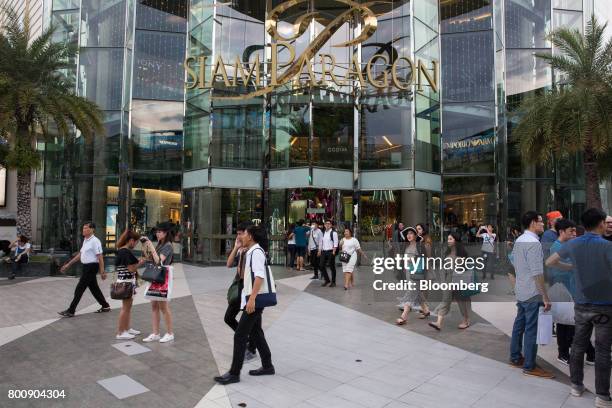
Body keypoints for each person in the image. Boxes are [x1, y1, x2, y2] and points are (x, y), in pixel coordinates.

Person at [546, 208, 612, 406]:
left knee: (577, 345)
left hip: (581, 303)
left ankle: (576, 386)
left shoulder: (573, 243)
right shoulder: (606, 246)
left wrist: (570, 267)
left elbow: (550, 262)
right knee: (602, 351)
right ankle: (602, 396)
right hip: (604, 305)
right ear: (601, 223)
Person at [214, 225, 275, 385]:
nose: (243, 236)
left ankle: (234, 373)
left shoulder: (256, 252)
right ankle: (268, 365)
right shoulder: (252, 251)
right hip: (252, 299)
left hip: (254, 301)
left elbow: (259, 277)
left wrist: (252, 299)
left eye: (245, 234)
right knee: (256, 332)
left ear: (252, 236)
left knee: (240, 335)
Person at [509, 211, 554, 378]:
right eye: (541, 222)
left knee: (519, 325)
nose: (543, 224)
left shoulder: (520, 240)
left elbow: (513, 262)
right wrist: (545, 296)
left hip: (521, 290)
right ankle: (529, 365)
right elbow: (537, 273)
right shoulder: (534, 243)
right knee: (531, 329)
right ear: (533, 223)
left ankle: (515, 357)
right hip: (532, 291)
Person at [547, 219, 595, 366]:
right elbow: (554, 266)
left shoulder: (569, 245)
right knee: (565, 324)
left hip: (573, 290)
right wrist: (572, 267)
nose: (575, 234)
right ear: (561, 232)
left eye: (575, 231)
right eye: (571, 231)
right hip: (563, 289)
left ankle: (589, 354)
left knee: (573, 324)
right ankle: (564, 353)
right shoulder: (557, 246)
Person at [58, 222, 110, 317]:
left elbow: (100, 257)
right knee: (94, 288)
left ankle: (71, 310)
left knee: (79, 288)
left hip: (91, 267)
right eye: (83, 228)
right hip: (86, 267)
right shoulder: (86, 240)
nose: (83, 230)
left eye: (86, 228)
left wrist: (102, 271)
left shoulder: (95, 241)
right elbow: (80, 255)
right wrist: (68, 264)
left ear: (92, 229)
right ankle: (105, 306)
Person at [224, 221, 257, 361]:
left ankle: (251, 348)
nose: (238, 236)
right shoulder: (240, 248)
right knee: (229, 317)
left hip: (249, 289)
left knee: (254, 323)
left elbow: (255, 275)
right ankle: (249, 342)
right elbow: (229, 264)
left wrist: (253, 297)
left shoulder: (253, 250)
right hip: (240, 288)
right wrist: (236, 247)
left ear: (248, 234)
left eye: (241, 234)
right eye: (237, 234)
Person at [430, 232, 472, 330]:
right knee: (445, 300)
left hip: (459, 280)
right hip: (448, 279)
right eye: (448, 239)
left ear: (456, 240)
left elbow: (464, 269)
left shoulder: (462, 253)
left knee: (462, 302)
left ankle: (466, 320)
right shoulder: (447, 252)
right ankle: (438, 323)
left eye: (450, 239)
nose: (448, 241)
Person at [141, 223, 175, 343]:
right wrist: (147, 247)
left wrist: (150, 245)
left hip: (162, 278)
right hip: (155, 277)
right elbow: (151, 259)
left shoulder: (168, 246)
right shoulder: (160, 244)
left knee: (163, 307)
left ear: (165, 233)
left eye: (160, 232)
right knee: (154, 306)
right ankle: (155, 333)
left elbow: (159, 261)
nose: (157, 233)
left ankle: (170, 333)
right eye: (157, 232)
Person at [396, 227, 430, 324]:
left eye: (411, 233)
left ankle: (404, 316)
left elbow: (425, 259)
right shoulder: (405, 246)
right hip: (408, 272)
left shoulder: (420, 246)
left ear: (415, 235)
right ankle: (426, 310)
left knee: (411, 293)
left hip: (417, 272)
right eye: (407, 234)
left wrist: (413, 260)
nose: (409, 235)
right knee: (417, 293)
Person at [114, 230, 144, 340]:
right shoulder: (125, 252)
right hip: (126, 283)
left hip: (126, 282)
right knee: (125, 308)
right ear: (131, 240)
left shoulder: (122, 251)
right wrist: (140, 263)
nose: (135, 245)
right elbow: (131, 269)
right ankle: (121, 332)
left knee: (128, 307)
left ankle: (127, 328)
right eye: (135, 242)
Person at [318, 220, 339, 287]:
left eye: (329, 224)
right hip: (324, 251)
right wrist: (319, 250)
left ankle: (333, 282)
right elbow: (321, 242)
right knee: (321, 266)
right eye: (326, 224)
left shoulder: (333, 233)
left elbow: (336, 243)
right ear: (324, 225)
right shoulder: (323, 233)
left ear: (331, 225)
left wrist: (334, 252)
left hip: (331, 251)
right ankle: (327, 280)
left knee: (332, 267)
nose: (327, 225)